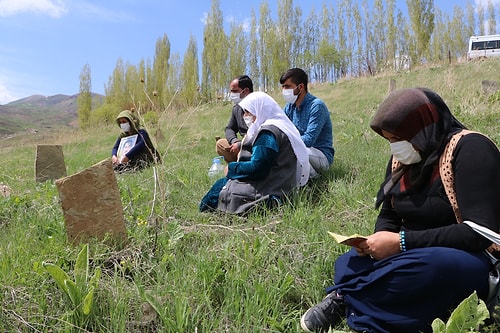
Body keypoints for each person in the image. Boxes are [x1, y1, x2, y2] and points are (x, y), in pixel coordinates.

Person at [300, 87, 500, 333]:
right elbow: (389, 214)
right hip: (410, 252)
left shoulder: (470, 149)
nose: (395, 147)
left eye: (398, 139)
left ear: (422, 128)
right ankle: (363, 300)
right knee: (348, 262)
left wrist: (402, 242)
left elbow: (480, 232)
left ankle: (347, 298)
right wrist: (374, 243)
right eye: (390, 140)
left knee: (426, 270)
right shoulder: (405, 158)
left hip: (467, 256)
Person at [200, 91, 310, 214]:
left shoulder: (267, 134)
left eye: (248, 112)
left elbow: (258, 168)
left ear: (260, 110)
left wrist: (231, 168)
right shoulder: (278, 127)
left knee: (215, 196)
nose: (244, 116)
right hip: (279, 185)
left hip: (270, 190)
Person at [280, 68, 334, 178]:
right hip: (301, 150)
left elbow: (309, 140)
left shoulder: (317, 106)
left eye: (287, 86)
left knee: (293, 152)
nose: (284, 90)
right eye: (283, 87)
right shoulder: (289, 107)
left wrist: (285, 143)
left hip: (321, 155)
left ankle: (315, 182)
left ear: (300, 87)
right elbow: (281, 129)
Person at [215, 75, 253, 163]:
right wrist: (234, 141)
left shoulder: (258, 106)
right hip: (242, 144)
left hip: (257, 145)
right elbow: (230, 129)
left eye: (235, 91)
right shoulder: (237, 109)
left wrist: (240, 145)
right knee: (220, 144)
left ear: (246, 91)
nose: (232, 94)